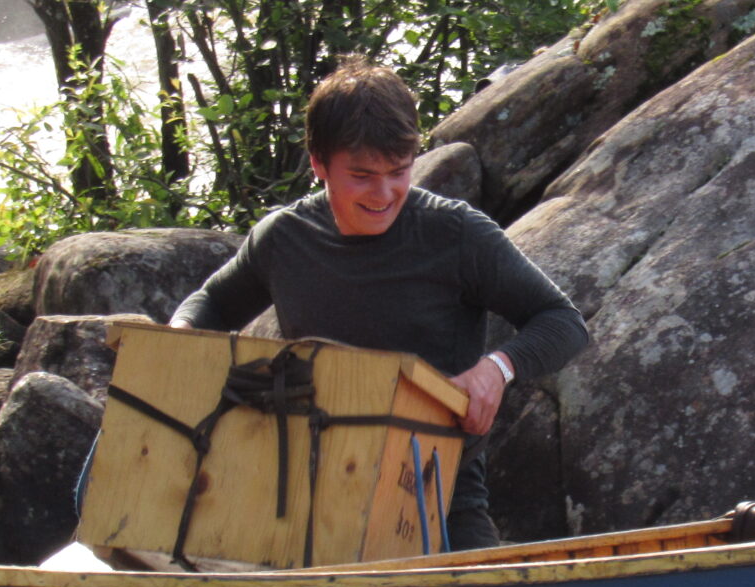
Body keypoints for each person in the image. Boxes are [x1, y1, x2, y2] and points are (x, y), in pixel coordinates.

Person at [170, 56, 586, 550]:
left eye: (399, 171)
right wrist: (178, 342)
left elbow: (563, 321)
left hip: (437, 499)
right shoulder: (283, 239)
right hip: (307, 496)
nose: (384, 193)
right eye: (362, 175)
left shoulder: (455, 234)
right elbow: (211, 302)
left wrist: (497, 368)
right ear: (319, 163)